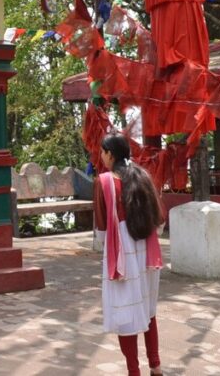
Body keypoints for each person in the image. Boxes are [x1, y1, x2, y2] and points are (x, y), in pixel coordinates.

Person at [94, 134, 164, 376]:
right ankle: (156, 366)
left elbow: (102, 227)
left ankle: (133, 371)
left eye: (102, 152)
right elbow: (159, 217)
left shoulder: (104, 181)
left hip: (121, 250)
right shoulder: (142, 176)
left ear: (110, 154)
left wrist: (105, 250)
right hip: (147, 247)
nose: (101, 157)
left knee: (126, 314)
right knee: (147, 309)